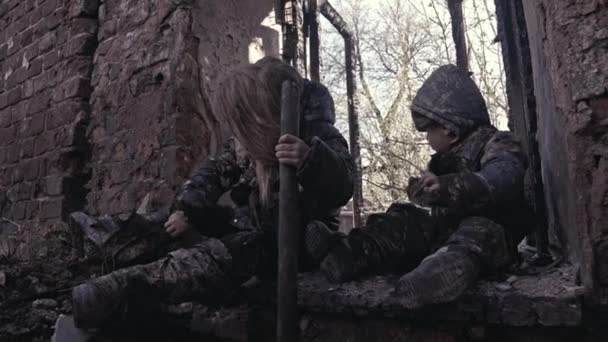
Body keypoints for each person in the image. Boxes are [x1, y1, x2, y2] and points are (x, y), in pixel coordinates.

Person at [71, 56, 354, 329]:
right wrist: (188, 209)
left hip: (294, 243)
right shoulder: (250, 142)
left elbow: (343, 185)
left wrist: (311, 160)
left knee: (230, 253)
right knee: (173, 222)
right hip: (252, 226)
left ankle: (122, 289)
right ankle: (104, 239)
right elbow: (216, 170)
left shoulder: (318, 135)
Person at [319, 64, 530, 308]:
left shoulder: (498, 142)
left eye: (428, 131)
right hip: (443, 231)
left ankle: (434, 278)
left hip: (492, 236)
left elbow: (503, 178)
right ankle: (343, 253)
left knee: (478, 234)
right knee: (400, 219)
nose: (427, 139)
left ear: (449, 130)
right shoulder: (445, 160)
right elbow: (437, 207)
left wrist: (446, 186)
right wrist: (424, 192)